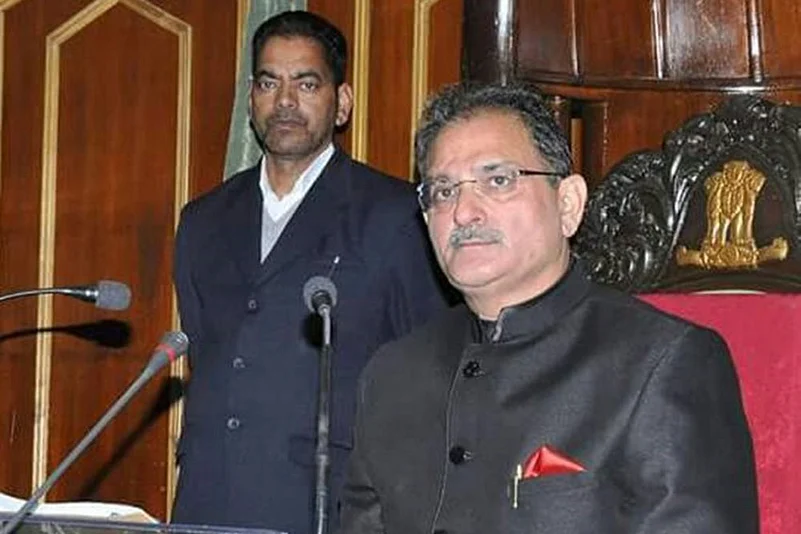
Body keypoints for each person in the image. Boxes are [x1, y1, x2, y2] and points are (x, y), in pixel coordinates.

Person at [337, 82, 759, 534]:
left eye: (498, 180)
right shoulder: (392, 373)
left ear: (568, 204)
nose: (463, 212)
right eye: (443, 191)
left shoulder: (660, 363)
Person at [171, 11, 450, 533]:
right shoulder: (203, 220)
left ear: (341, 102)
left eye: (306, 84)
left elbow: (427, 374)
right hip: (208, 500)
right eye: (268, 83)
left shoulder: (395, 215)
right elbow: (207, 352)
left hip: (333, 502)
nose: (285, 101)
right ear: (251, 99)